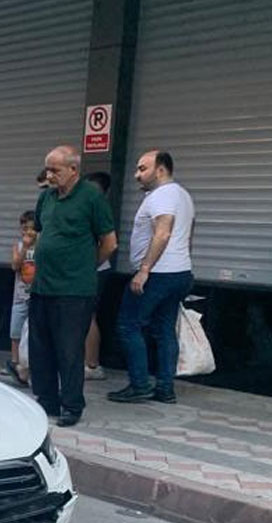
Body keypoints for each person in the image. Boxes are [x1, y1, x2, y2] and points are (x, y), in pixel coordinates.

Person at [29, 145, 117, 427]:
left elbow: (109, 242)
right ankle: (46, 399)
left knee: (68, 349)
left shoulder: (91, 196)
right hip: (42, 285)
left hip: (74, 289)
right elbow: (42, 235)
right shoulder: (46, 198)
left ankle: (71, 405)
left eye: (55, 170)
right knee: (40, 347)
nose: (50, 175)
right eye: (48, 170)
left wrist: (85, 267)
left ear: (73, 170)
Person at [108, 151, 196, 404]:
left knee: (128, 325)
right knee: (164, 329)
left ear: (160, 170)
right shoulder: (184, 196)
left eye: (142, 169)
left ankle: (139, 385)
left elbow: (163, 233)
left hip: (157, 274)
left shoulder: (163, 195)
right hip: (179, 272)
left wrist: (144, 269)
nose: (137, 175)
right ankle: (165, 388)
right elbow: (188, 235)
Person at [83, 170, 114, 380]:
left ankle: (92, 364)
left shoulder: (98, 210)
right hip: (90, 270)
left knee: (88, 316)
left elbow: (109, 244)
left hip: (93, 271)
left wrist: (92, 265)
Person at [6, 211, 37, 385]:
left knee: (32, 332)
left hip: (36, 295)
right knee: (16, 331)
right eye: (24, 229)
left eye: (31, 229)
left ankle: (29, 365)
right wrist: (25, 248)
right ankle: (15, 362)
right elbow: (15, 266)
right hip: (20, 295)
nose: (28, 233)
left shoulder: (41, 246)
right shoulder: (18, 247)